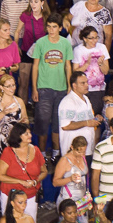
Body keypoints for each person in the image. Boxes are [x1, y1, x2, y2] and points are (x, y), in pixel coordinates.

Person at [33, 13, 73, 163]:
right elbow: (35, 66)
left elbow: (68, 66)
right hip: (43, 88)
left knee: (58, 122)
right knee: (42, 122)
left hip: (61, 88)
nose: (51, 30)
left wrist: (69, 86)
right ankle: (42, 154)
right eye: (49, 26)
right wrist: (34, 88)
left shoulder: (65, 43)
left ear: (60, 28)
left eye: (54, 27)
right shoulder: (40, 43)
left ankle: (56, 153)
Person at [58, 72, 100, 161]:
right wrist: (86, 123)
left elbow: (86, 119)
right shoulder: (68, 102)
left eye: (87, 82)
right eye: (83, 83)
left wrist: (96, 119)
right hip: (74, 152)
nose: (87, 85)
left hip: (87, 148)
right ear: (74, 85)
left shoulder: (86, 98)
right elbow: (65, 126)